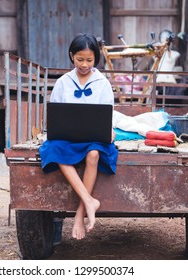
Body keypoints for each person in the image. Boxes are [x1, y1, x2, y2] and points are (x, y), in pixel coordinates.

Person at [39, 33, 118, 240]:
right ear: (71, 56)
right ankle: (89, 200)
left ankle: (79, 214)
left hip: (94, 139)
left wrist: (108, 130)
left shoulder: (102, 83)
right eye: (80, 59)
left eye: (89, 60)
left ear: (96, 59)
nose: (84, 64)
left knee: (93, 155)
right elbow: (55, 114)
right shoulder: (63, 82)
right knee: (54, 149)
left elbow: (107, 115)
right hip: (69, 138)